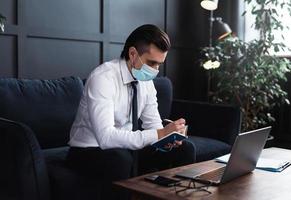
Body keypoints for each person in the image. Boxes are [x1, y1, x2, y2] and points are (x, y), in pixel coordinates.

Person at [67, 24, 196, 199]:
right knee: (120, 160)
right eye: (152, 63)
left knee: (185, 149)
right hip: (88, 150)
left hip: (125, 147)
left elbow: (153, 126)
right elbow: (106, 138)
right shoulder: (103, 78)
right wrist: (159, 134)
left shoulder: (146, 82)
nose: (155, 70)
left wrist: (169, 138)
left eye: (159, 64)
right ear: (133, 54)